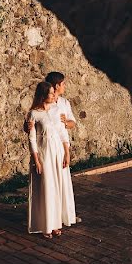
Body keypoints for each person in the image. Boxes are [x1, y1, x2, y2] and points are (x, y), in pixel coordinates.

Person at [27, 81, 77, 238]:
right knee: (46, 189)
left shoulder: (56, 110)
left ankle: (55, 224)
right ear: (43, 95)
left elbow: (63, 133)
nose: (54, 95)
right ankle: (46, 226)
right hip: (44, 154)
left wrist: (67, 153)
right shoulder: (33, 114)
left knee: (56, 189)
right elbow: (32, 139)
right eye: (50, 93)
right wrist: (36, 160)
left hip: (57, 153)